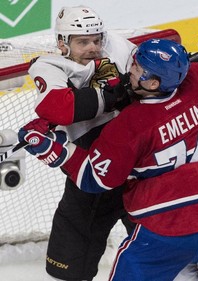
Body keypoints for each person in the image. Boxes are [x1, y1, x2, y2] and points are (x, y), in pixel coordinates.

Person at [19, 36, 198, 280]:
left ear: (153, 83)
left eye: (137, 67)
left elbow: (95, 178)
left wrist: (53, 148)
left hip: (168, 232)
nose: (130, 70)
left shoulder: (130, 125)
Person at [28, 6, 137, 280]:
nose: (92, 47)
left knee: (163, 247)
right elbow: (57, 108)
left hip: (137, 167)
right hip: (90, 175)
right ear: (62, 43)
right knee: (68, 266)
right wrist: (115, 94)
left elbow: (154, 71)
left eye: (96, 40)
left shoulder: (115, 46)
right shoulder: (49, 65)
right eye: (83, 42)